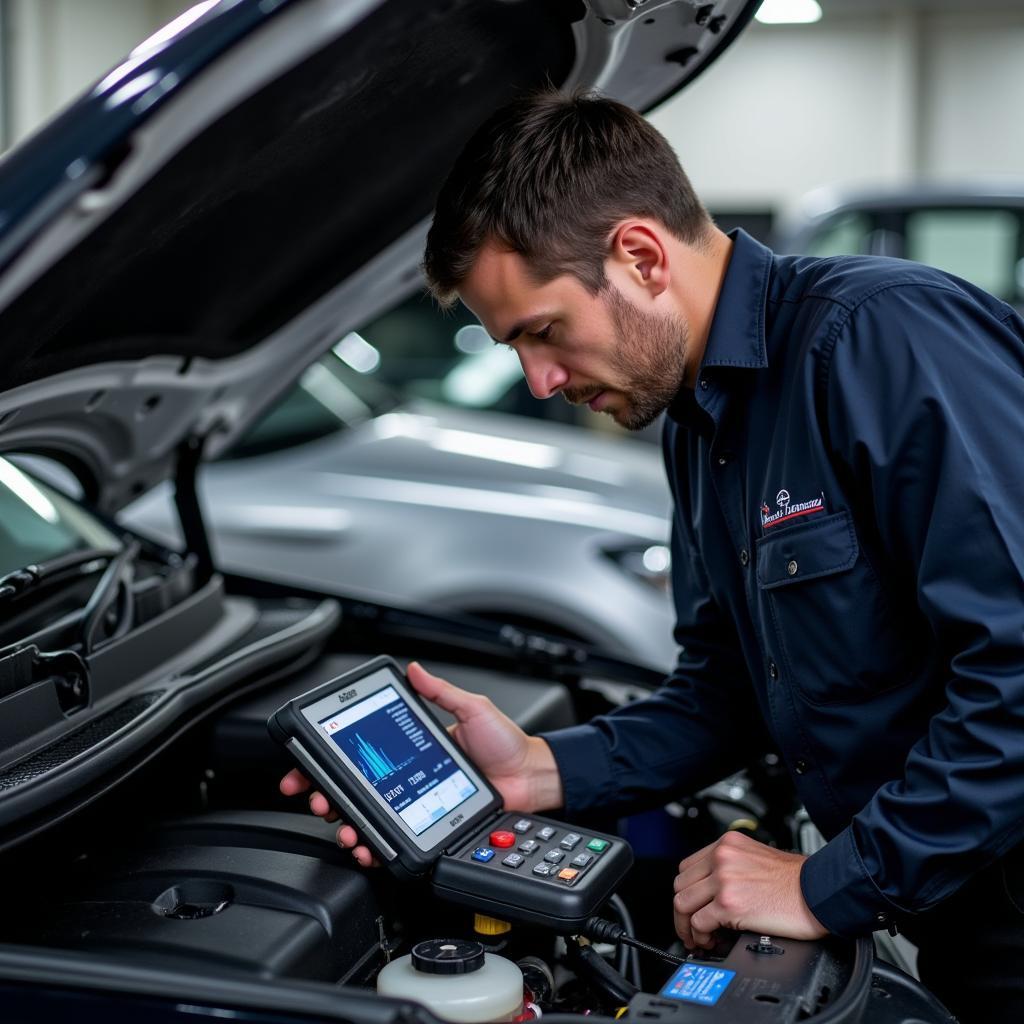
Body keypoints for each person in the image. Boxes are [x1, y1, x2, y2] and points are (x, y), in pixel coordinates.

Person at [282, 90, 1024, 1021]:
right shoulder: (697, 423)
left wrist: (827, 883)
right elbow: (727, 691)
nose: (540, 381)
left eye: (543, 332)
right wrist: (540, 768)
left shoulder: (881, 341)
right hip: (949, 904)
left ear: (639, 255)